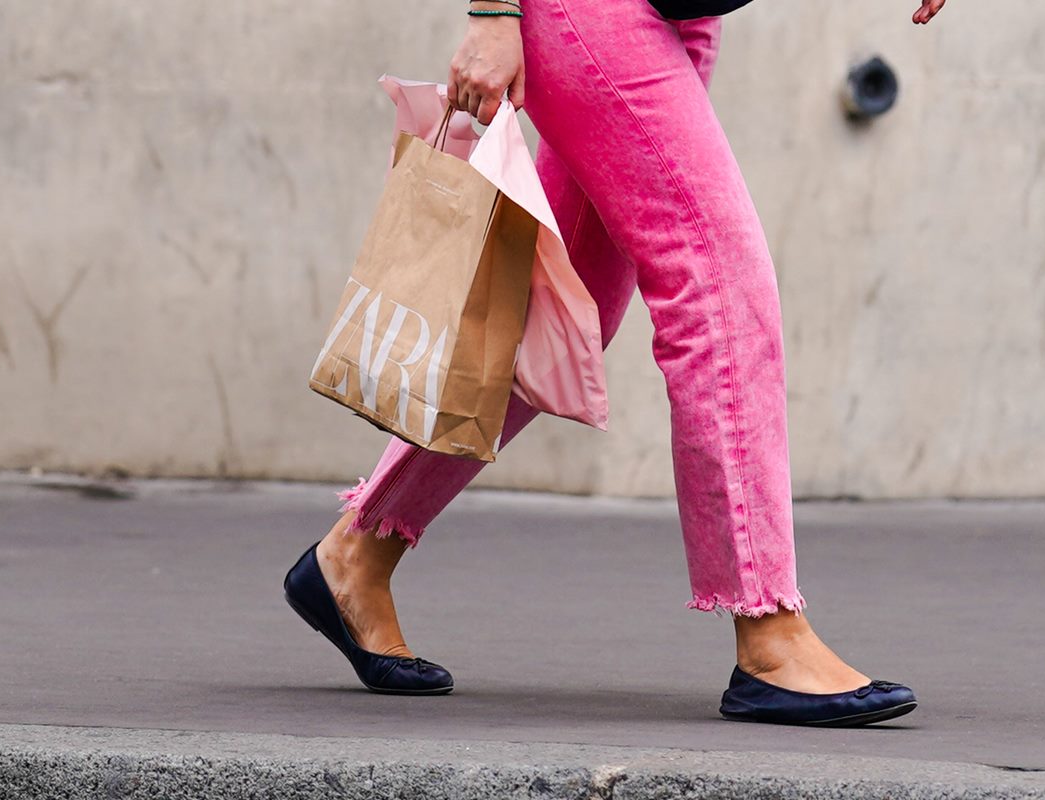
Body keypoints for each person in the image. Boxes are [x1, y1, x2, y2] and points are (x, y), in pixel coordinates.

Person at [284, 0, 949, 726]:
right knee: (716, 280)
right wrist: (493, 12)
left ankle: (356, 553)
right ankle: (770, 635)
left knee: (566, 312)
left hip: (682, 15)